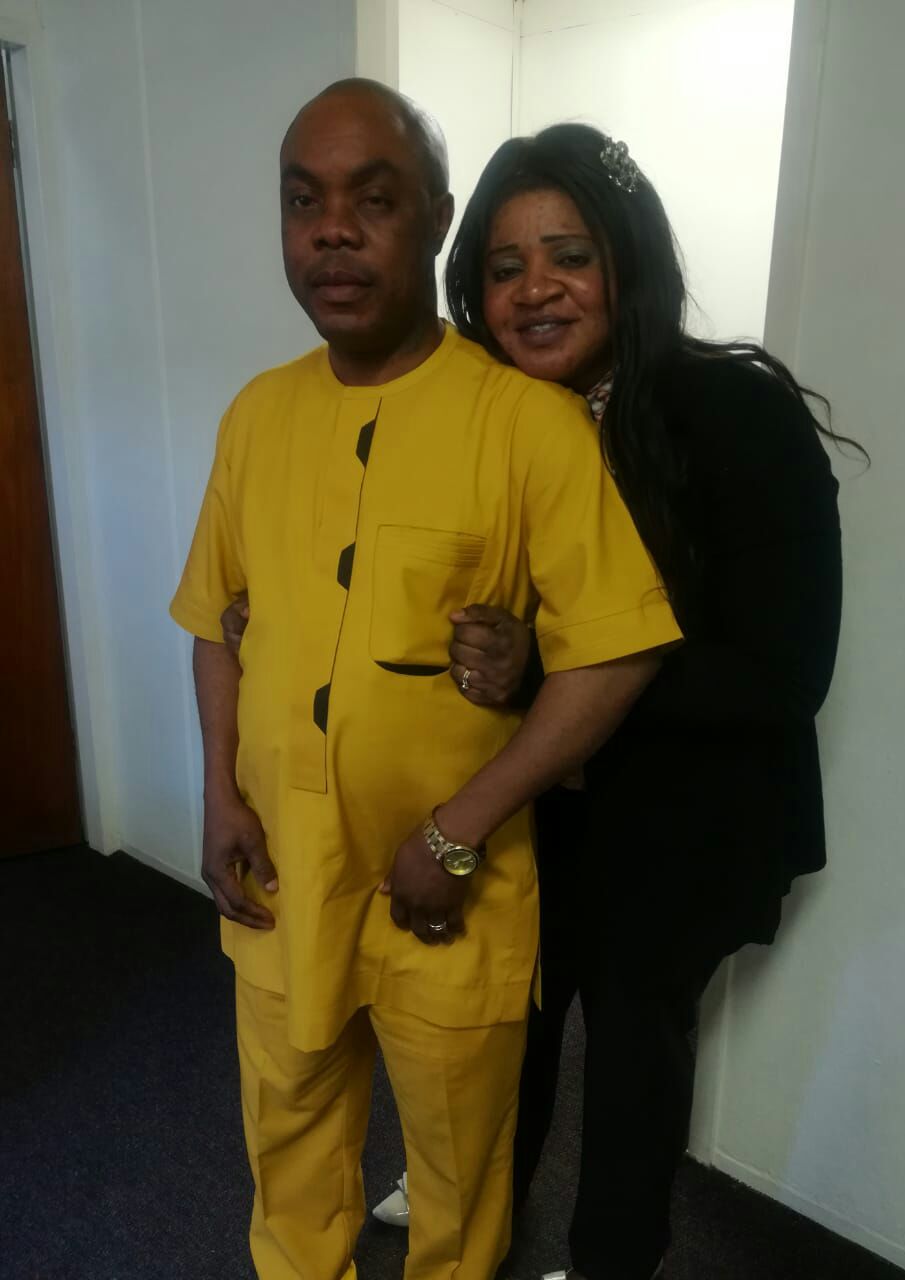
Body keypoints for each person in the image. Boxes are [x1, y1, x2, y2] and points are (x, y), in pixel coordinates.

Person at [231, 124, 848, 1279]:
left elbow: (783, 672)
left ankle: (612, 1259)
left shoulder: (733, 413)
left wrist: (559, 664)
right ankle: (480, 1210)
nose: (535, 290)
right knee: (501, 1033)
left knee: (632, 1051)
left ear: (627, 262)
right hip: (531, 807)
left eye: (570, 256)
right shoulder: (482, 409)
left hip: (684, 819)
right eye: (506, 265)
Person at [170, 83, 680, 1280]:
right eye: (305, 202)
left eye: (374, 200)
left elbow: (618, 649)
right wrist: (219, 792)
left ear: (438, 218)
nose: (333, 233)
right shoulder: (256, 416)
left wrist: (458, 831)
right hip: (285, 871)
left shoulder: (526, 425)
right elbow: (214, 625)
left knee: (458, 1181)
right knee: (289, 1145)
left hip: (447, 894)